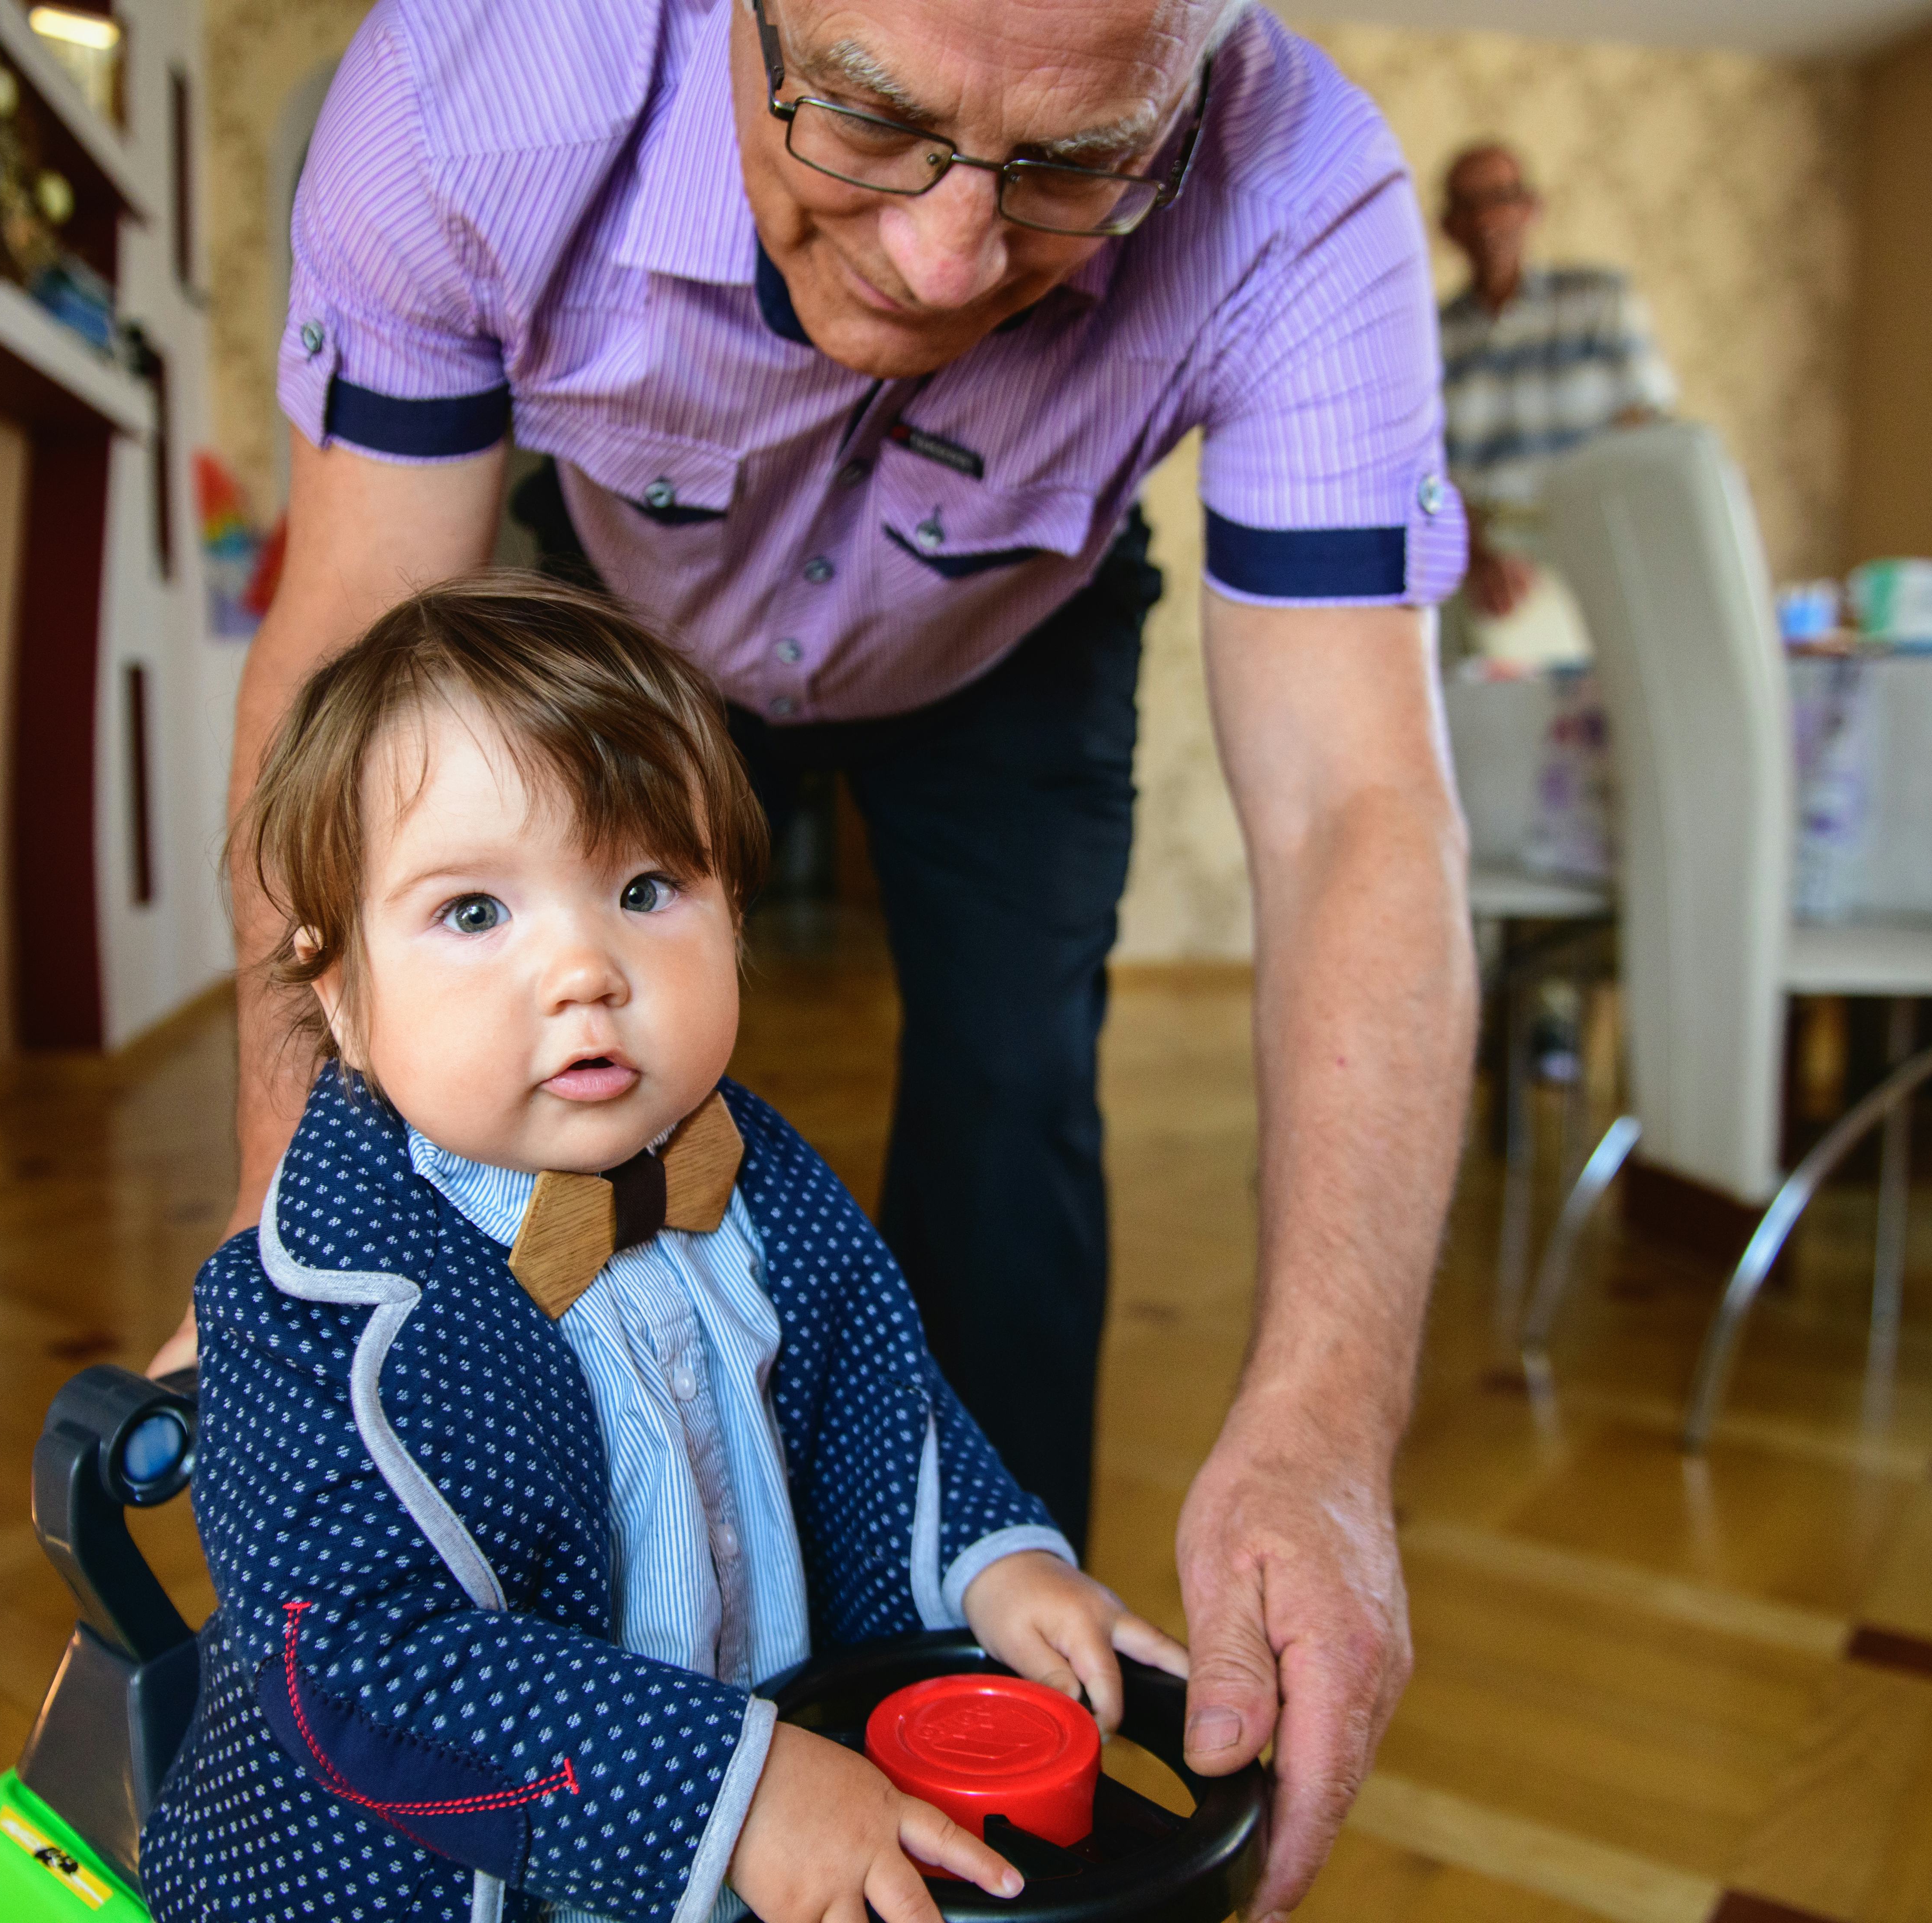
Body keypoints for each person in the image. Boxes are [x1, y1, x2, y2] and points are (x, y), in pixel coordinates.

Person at [154, 0, 1480, 1907]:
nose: (952, 261)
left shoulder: (1303, 184)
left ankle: (960, 1744)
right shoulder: (471, 92)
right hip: (611, 637)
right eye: (863, 116)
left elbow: (1365, 808)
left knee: (1016, 1096)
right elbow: (348, 683)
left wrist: (1308, 1442)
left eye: (1078, 163)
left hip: (999, 645)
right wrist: (295, 1213)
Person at [144, 576, 1188, 1923]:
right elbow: (354, 1664)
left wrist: (994, 1560)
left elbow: (881, 1398)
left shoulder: (758, 1169)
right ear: (341, 994)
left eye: (647, 886)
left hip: (773, 1777)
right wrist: (724, 1787)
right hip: (455, 1869)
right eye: (475, 911)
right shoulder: (312, 1311)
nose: (586, 966)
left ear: (734, 915)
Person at [1437, 140, 1677, 630]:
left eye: (1500, 198)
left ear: (1531, 209)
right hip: (1489, 566)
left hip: (1598, 543)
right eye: (1468, 206)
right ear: (1448, 226)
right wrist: (1484, 557)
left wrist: (1583, 531)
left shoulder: (1599, 302)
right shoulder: (1430, 336)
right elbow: (1430, 466)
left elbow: (1645, 427)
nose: (1486, 220)